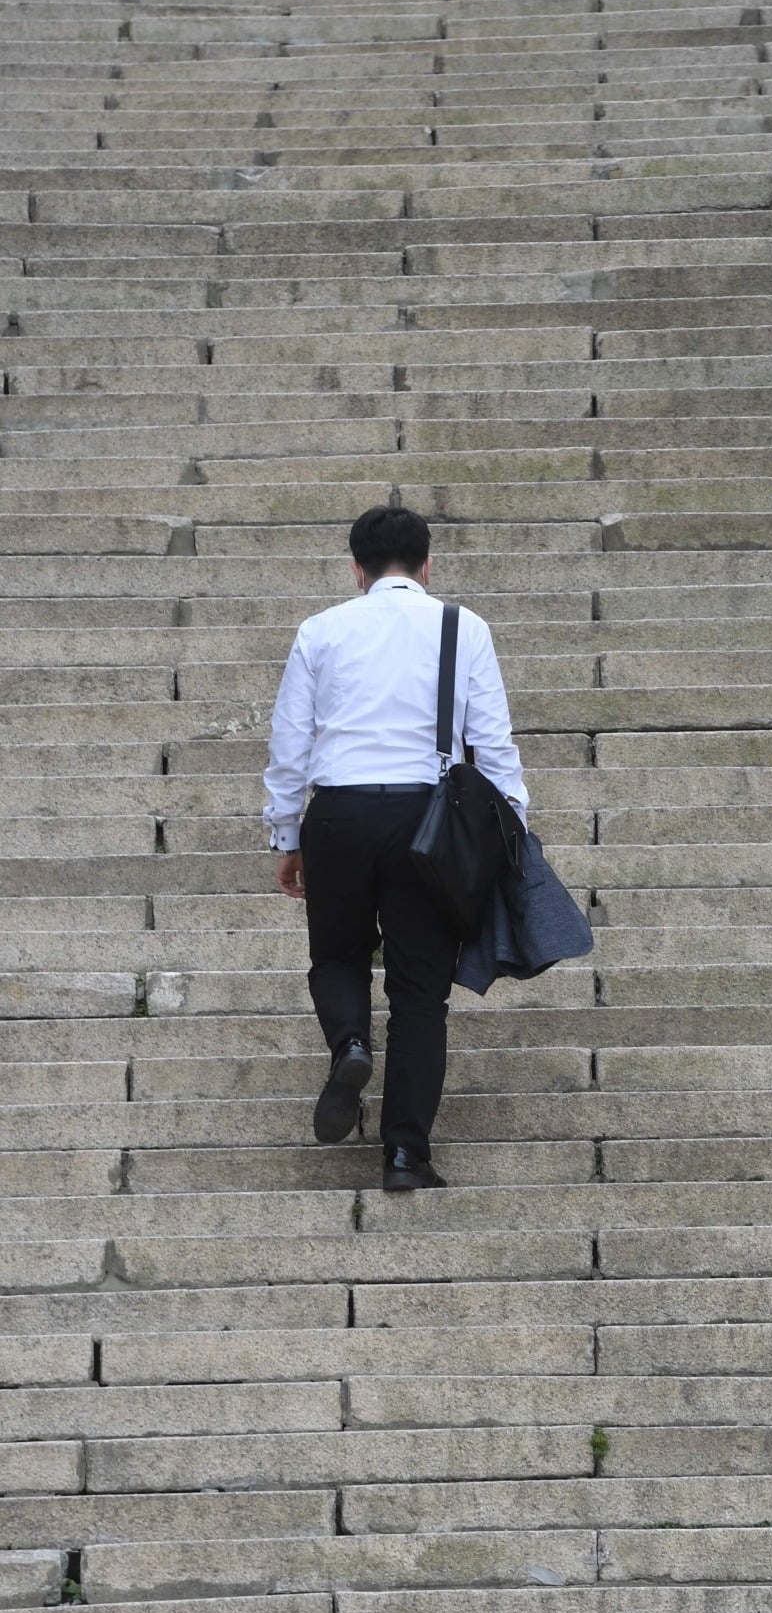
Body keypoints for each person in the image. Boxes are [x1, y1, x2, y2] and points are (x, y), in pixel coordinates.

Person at [262, 503, 529, 1191]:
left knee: (338, 954)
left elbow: (291, 744)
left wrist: (286, 833)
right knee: (419, 995)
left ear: (357, 569)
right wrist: (512, 833)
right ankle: (406, 1153)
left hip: (339, 815)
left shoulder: (320, 630)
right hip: (428, 820)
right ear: (428, 564)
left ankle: (350, 1041)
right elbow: (493, 745)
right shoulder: (462, 627)